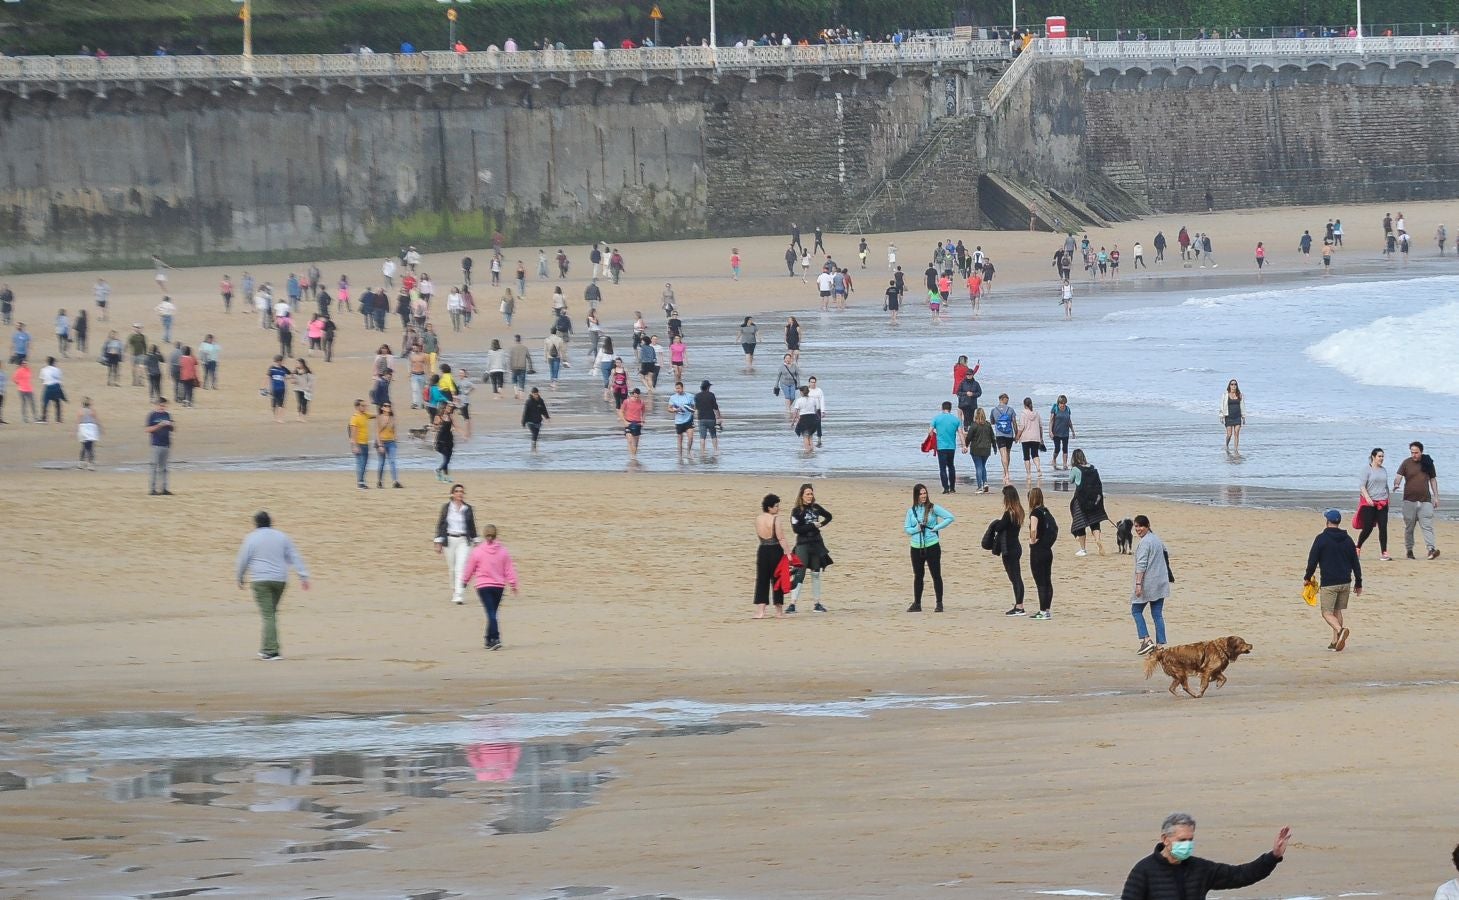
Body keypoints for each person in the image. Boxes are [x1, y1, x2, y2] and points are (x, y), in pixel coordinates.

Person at [1120, 812, 1288, 899]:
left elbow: (1240, 875)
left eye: (1190, 839)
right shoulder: (1143, 871)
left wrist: (1273, 856)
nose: (1187, 844)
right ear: (1165, 839)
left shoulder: (1200, 869)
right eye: (1182, 840)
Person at [234, 511, 310, 661]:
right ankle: (265, 648)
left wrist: (240, 577)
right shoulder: (282, 536)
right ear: (270, 522)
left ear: (256, 523)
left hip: (261, 581)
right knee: (270, 614)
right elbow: (294, 556)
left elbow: (243, 559)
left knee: (268, 615)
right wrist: (303, 575)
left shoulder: (251, 538)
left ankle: (272, 651)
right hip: (280, 580)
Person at [1305, 508, 1362, 651]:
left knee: (1326, 613)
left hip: (1330, 583)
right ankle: (1335, 641)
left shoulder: (1321, 539)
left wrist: (1307, 577)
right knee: (1337, 610)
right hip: (1345, 582)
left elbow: (1312, 560)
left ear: (1327, 522)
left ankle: (1340, 630)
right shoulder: (1348, 540)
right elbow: (1355, 562)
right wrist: (1358, 582)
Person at [461, 524, 519, 650]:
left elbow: (470, 567)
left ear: (484, 535)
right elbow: (509, 569)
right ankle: (490, 638)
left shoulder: (478, 551)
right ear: (496, 535)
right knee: (492, 613)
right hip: (498, 586)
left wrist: (464, 581)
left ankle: (494, 638)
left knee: (491, 613)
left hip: (483, 586)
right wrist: (513, 583)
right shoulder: (503, 551)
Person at [904, 483, 954, 612]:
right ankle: (917, 603)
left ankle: (939, 603)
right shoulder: (911, 511)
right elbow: (907, 529)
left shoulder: (933, 508)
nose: (923, 496)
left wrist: (936, 528)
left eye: (925, 493)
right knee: (918, 575)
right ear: (916, 495)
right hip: (916, 546)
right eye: (921, 494)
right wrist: (916, 529)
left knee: (936, 574)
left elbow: (950, 517)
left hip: (932, 545)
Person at [788, 483, 833, 613]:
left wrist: (821, 524)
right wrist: (813, 526)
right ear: (801, 495)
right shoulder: (796, 511)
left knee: (816, 573)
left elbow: (829, 516)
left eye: (811, 493)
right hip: (803, 544)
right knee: (799, 573)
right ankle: (792, 604)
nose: (809, 496)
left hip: (817, 544)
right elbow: (796, 529)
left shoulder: (816, 508)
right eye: (807, 494)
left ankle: (817, 603)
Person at [1131, 515, 1170, 655]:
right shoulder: (1156, 539)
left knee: (1136, 610)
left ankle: (1146, 640)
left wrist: (1138, 584)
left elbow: (1141, 565)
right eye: (1136, 526)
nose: (1138, 529)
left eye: (1140, 526)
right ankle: (1160, 646)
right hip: (1161, 582)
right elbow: (1166, 553)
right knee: (1157, 614)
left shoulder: (1145, 543)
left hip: (1149, 583)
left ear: (1147, 526)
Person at [1394, 440, 1440, 559]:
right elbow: (1398, 476)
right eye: (1412, 452)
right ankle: (1409, 551)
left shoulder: (1427, 462)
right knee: (1409, 527)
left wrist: (1436, 496)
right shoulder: (1406, 463)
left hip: (1425, 500)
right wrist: (1396, 484)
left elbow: (1433, 480)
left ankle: (1431, 549)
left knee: (1427, 526)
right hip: (1409, 500)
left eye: (1416, 452)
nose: (1414, 455)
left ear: (1421, 452)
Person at [434, 483, 478, 605]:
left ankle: (459, 594)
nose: (460, 493)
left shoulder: (468, 508)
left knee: (461, 567)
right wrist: (438, 541)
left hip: (464, 540)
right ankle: (454, 589)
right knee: (452, 568)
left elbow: (472, 526)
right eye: (457, 491)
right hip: (449, 540)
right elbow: (441, 524)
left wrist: (476, 540)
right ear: (452, 494)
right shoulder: (446, 508)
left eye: (462, 492)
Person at [752, 494, 792, 618]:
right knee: (777, 580)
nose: (778, 508)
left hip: (762, 549)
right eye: (776, 506)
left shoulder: (758, 518)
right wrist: (788, 553)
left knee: (762, 579)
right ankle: (779, 611)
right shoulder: (776, 519)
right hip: (775, 549)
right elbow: (781, 537)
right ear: (769, 507)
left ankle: (760, 611)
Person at [1070, 449, 1109, 556]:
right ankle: (1097, 540)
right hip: (1094, 500)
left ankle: (1083, 549)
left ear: (1074, 458)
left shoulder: (1075, 469)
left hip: (1080, 500)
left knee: (1080, 524)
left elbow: (1071, 480)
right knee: (1095, 522)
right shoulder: (1092, 468)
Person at [997, 485, 1028, 616]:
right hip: (1016, 545)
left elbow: (999, 527)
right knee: (1016, 577)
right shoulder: (1019, 511)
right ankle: (1019, 604)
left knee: (1015, 577)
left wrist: (995, 523)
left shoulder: (1009, 513)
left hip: (1009, 548)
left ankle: (1019, 606)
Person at [1357, 447, 1392, 560]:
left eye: (1382, 456)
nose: (1381, 458)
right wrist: (1367, 498)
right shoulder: (1366, 469)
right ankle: (1357, 547)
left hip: (1382, 502)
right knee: (1368, 528)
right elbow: (1362, 486)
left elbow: (1386, 486)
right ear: (1373, 457)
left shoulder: (1384, 470)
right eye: (1379, 456)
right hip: (1369, 504)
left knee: (1383, 527)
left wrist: (1388, 499)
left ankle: (1384, 552)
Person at [1027, 487, 1056, 619]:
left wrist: (1033, 541)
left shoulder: (1035, 513)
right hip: (1047, 549)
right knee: (1047, 580)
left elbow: (1033, 529)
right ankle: (1047, 609)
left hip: (1038, 550)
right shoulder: (1046, 512)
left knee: (1040, 582)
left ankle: (1043, 611)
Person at [930, 401, 962, 494]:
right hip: (951, 447)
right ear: (950, 408)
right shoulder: (956, 420)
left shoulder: (937, 418)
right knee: (951, 466)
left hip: (941, 446)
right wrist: (964, 445)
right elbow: (960, 433)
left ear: (942, 408)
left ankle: (945, 488)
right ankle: (952, 487)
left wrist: (934, 437)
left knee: (942, 468)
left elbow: (930, 431)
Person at [145, 397, 174, 495]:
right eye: (161, 405)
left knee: (164, 468)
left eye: (164, 405)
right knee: (154, 467)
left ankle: (164, 488)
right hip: (156, 444)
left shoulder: (167, 415)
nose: (163, 407)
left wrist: (170, 424)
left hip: (166, 444)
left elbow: (173, 429)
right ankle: (152, 489)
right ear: (157, 405)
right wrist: (160, 425)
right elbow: (148, 430)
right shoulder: (152, 415)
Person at [965, 407, 995, 493]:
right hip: (986, 449)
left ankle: (979, 487)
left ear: (975, 415)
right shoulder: (988, 425)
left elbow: (969, 437)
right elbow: (992, 436)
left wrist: (966, 445)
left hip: (976, 449)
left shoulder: (974, 425)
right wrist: (994, 446)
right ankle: (985, 482)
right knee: (982, 466)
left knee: (978, 467)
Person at [990, 392, 1017, 485]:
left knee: (1003, 454)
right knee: (1008, 453)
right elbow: (1014, 423)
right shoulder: (1010, 410)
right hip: (1009, 434)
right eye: (1007, 399)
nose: (1008, 400)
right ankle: (1006, 472)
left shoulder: (994, 410)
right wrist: (1016, 434)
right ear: (1003, 399)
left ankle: (1006, 473)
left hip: (1000, 434)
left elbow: (992, 422)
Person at [347, 399, 374, 489]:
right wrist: (355, 446)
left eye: (365, 406)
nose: (365, 407)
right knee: (361, 463)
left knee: (365, 463)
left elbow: (374, 416)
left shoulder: (365, 415)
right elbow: (353, 433)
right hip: (358, 444)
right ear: (357, 407)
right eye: (362, 406)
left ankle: (362, 481)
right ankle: (360, 482)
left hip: (365, 443)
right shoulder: (355, 417)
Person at [374, 402, 401, 488]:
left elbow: (394, 429)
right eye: (385, 406)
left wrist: (395, 437)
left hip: (391, 442)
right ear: (382, 408)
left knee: (392, 461)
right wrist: (380, 445)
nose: (388, 407)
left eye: (389, 406)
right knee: (382, 462)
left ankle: (395, 481)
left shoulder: (392, 418)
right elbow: (377, 432)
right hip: (382, 441)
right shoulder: (379, 417)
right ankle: (379, 481)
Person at [693, 379, 722, 457]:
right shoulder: (711, 395)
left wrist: (692, 417)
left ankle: (702, 452)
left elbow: (695, 408)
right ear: (708, 387)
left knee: (702, 437)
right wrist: (719, 417)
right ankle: (716, 450)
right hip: (711, 418)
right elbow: (715, 407)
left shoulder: (697, 396)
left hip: (701, 418)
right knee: (713, 435)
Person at [1048, 395, 1075, 470]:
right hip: (1056, 432)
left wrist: (1072, 430)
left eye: (1064, 403)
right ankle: (1054, 459)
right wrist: (1050, 431)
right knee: (1057, 448)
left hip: (1065, 432)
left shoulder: (1068, 409)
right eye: (1061, 403)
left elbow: (1069, 421)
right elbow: (1051, 421)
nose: (1063, 405)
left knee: (1065, 448)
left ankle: (1065, 464)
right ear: (1058, 403)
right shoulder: (1055, 408)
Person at [76, 398, 101, 470]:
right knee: (90, 447)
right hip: (91, 428)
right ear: (89, 404)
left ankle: (81, 463)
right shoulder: (92, 411)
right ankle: (90, 463)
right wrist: (100, 428)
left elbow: (78, 421)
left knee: (84, 446)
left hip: (83, 428)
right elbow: (96, 420)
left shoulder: (80, 411)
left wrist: (76, 430)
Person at [619, 387, 645, 458]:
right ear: (632, 395)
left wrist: (643, 421)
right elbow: (621, 412)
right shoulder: (626, 401)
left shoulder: (642, 402)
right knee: (629, 440)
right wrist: (624, 421)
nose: (636, 398)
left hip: (637, 423)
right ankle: (632, 456)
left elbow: (643, 412)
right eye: (635, 397)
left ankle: (634, 456)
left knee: (636, 443)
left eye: (638, 397)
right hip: (628, 422)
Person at [1221, 379, 1245, 454]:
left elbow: (1243, 406)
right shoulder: (1225, 395)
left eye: (1235, 384)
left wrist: (1243, 417)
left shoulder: (1240, 394)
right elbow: (1222, 406)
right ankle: (1226, 445)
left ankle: (1236, 449)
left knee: (1236, 432)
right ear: (1229, 385)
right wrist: (1221, 416)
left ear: (1237, 386)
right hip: (1229, 417)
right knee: (1229, 434)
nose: (1233, 386)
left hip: (1237, 416)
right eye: (1232, 384)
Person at [433, 404, 456, 481]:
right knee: (446, 459)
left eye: (451, 408)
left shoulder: (450, 417)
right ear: (445, 408)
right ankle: (439, 470)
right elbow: (435, 427)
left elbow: (454, 426)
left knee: (447, 459)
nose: (449, 409)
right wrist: (438, 427)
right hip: (441, 441)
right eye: (448, 407)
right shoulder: (439, 417)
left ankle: (445, 477)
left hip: (449, 440)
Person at [265, 355, 289, 424]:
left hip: (282, 389)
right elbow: (267, 377)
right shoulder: (272, 368)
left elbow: (290, 374)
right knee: (273, 405)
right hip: (273, 389)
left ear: (281, 361)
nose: (277, 363)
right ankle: (275, 417)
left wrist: (287, 378)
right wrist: (265, 387)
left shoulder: (284, 369)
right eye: (276, 362)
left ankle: (280, 418)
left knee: (281, 404)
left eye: (279, 361)